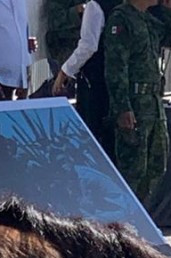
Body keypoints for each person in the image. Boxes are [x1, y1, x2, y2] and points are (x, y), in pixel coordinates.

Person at [104, 0, 171, 205]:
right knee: (133, 170)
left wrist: (169, 10)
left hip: (153, 103)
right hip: (135, 104)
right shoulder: (121, 18)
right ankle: (126, 220)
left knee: (157, 163)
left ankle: (142, 215)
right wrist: (123, 108)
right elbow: (116, 67)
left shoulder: (148, 19)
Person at [51, 0, 121, 154]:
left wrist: (64, 71)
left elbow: (88, 46)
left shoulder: (95, 6)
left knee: (94, 139)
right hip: (121, 83)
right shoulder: (128, 6)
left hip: (96, 82)